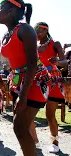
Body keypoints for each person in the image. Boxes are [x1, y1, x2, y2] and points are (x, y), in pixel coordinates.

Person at [0, 0, 51, 156]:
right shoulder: (7, 34)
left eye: (1, 9)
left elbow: (33, 64)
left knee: (19, 126)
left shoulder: (25, 29)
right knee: (21, 127)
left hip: (35, 80)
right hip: (18, 81)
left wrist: (23, 94)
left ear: (11, 11)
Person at [36, 22, 67, 153]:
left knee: (50, 114)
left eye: (40, 31)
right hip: (38, 79)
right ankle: (33, 141)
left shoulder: (55, 44)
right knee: (28, 112)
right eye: (35, 31)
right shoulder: (34, 46)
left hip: (53, 79)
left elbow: (65, 62)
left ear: (46, 31)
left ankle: (55, 142)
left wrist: (58, 62)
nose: (37, 33)